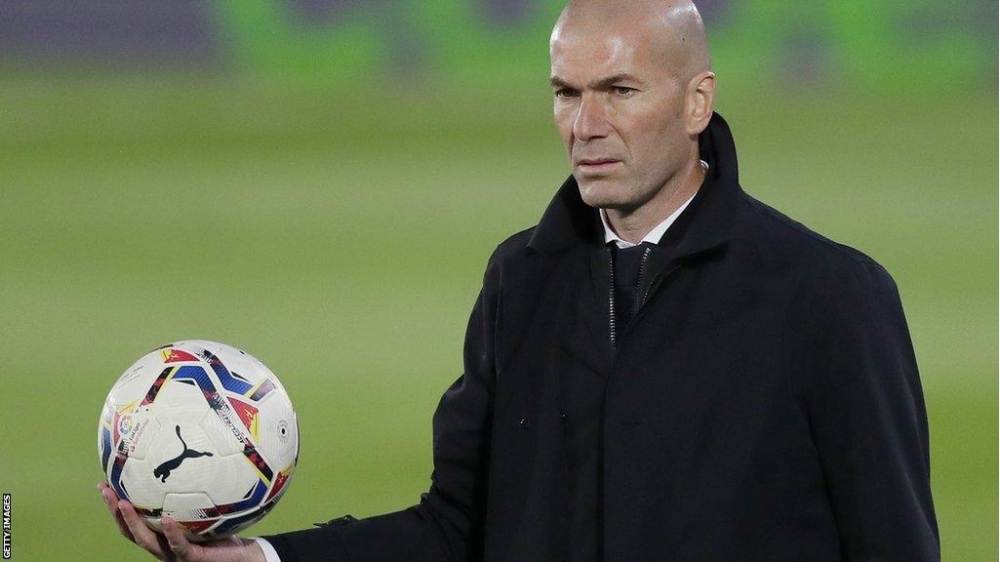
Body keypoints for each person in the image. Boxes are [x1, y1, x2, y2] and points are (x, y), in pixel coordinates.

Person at [99, 1, 941, 560]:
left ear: (696, 103)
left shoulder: (828, 295)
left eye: (619, 90)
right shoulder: (524, 282)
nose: (586, 125)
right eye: (567, 93)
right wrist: (261, 558)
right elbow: (455, 528)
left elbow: (894, 546)